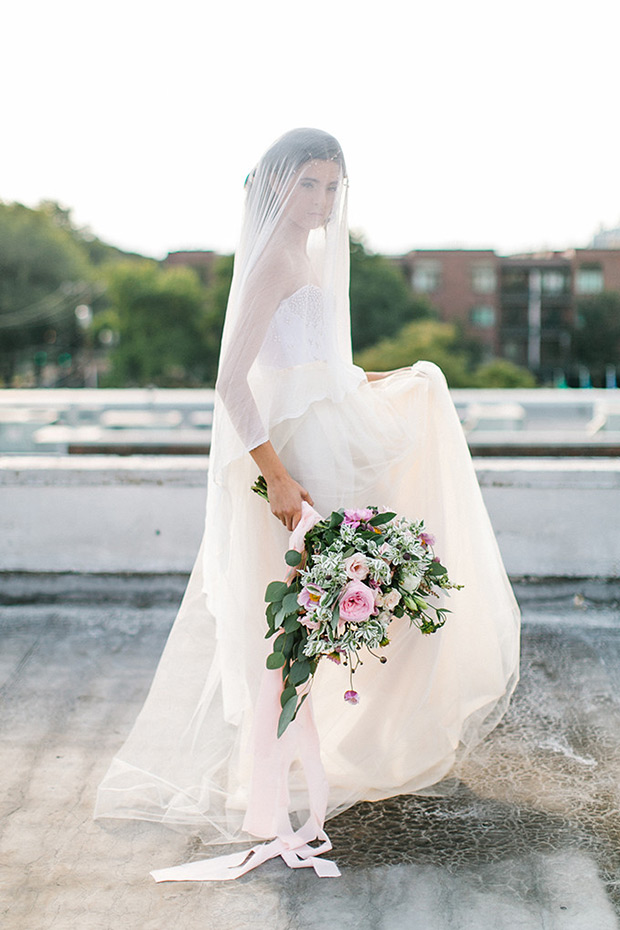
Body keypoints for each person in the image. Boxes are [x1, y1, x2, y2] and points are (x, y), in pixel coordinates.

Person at [95, 128, 520, 861]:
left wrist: (401, 381)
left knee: (358, 603)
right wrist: (279, 477)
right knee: (298, 618)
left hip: (335, 437)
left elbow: (319, 365)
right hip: (293, 458)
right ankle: (277, 779)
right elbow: (232, 383)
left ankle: (351, 753)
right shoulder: (270, 261)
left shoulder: (315, 256)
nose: (321, 201)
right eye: (308, 185)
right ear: (275, 187)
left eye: (331, 186)